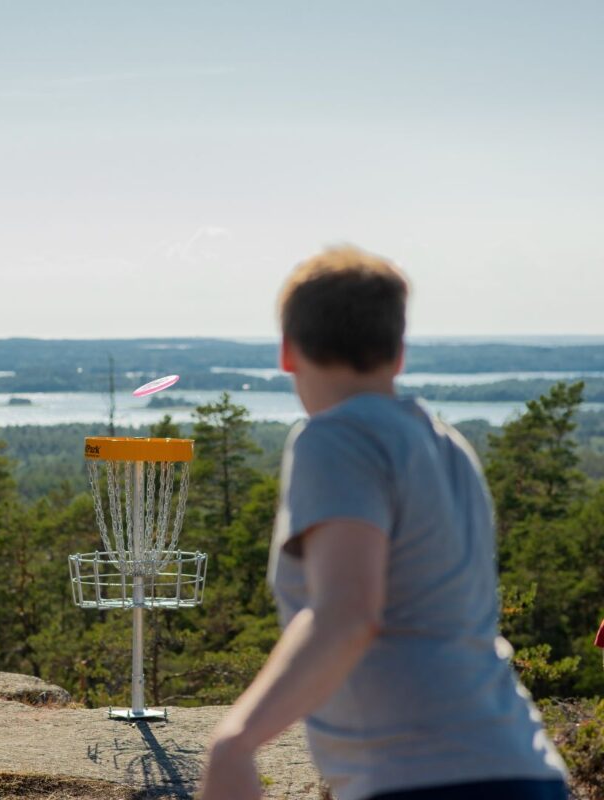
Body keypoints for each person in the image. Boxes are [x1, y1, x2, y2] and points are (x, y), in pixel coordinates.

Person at [198, 246, 568, 800]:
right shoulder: (447, 446)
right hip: (523, 767)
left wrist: (235, 740)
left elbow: (347, 613)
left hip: (424, 778)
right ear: (398, 352)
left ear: (287, 351)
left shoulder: (335, 437)